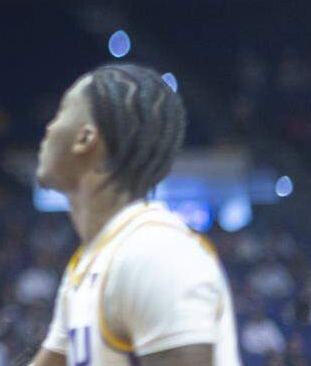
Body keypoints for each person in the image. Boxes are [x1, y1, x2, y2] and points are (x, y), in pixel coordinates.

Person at [27, 65, 240, 366]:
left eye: (61, 113)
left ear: (86, 139)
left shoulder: (155, 253)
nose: (48, 129)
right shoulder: (90, 263)